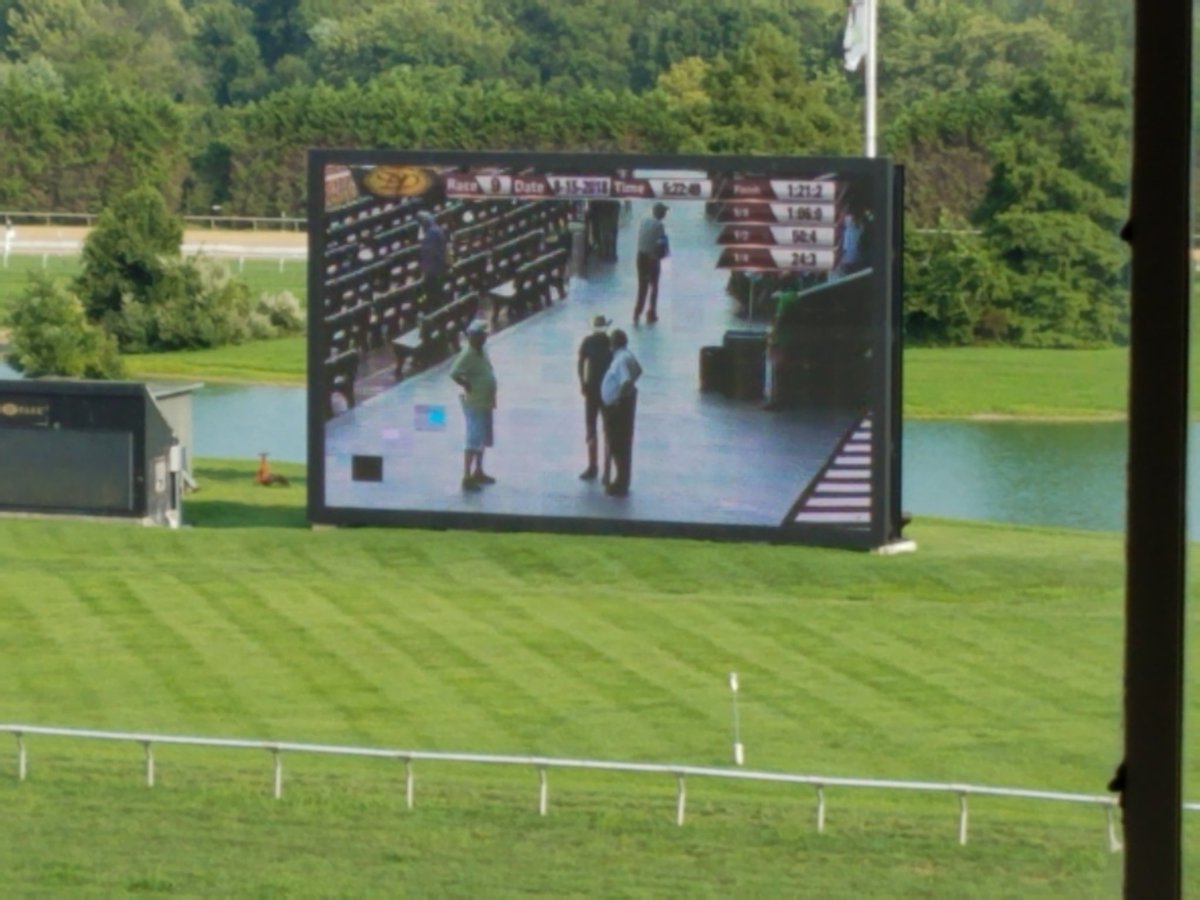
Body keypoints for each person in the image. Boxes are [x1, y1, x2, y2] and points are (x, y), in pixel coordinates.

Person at [449, 320, 498, 492]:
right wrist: (466, 384)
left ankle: (479, 470)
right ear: (474, 336)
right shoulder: (467, 354)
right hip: (475, 402)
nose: (485, 337)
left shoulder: (482, 350)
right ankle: (466, 476)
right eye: (482, 335)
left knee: (482, 438)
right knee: (472, 439)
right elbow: (454, 373)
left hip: (486, 401)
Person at [600, 329, 642, 497]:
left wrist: (618, 397)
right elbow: (638, 371)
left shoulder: (619, 360)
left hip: (618, 407)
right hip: (625, 402)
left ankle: (620, 482)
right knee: (622, 442)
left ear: (614, 343)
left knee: (617, 443)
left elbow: (625, 380)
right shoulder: (627, 355)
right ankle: (622, 479)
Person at [577, 315, 613, 481]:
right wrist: (582, 383)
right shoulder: (606, 342)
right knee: (595, 429)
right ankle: (597, 466)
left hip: (599, 390)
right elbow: (580, 362)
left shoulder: (594, 342)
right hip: (596, 390)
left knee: (601, 429)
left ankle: (599, 467)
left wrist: (583, 382)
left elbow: (581, 362)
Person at [634, 202, 669, 325]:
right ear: (660, 213)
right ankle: (651, 313)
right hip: (652, 258)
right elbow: (661, 245)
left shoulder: (644, 220)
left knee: (642, 286)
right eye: (664, 212)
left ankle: (637, 313)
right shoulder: (659, 225)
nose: (665, 214)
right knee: (654, 286)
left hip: (640, 256)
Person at [417, 210, 450, 307]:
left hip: (434, 270)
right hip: (437, 267)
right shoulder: (437, 230)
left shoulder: (431, 234)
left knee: (433, 291)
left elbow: (433, 253)